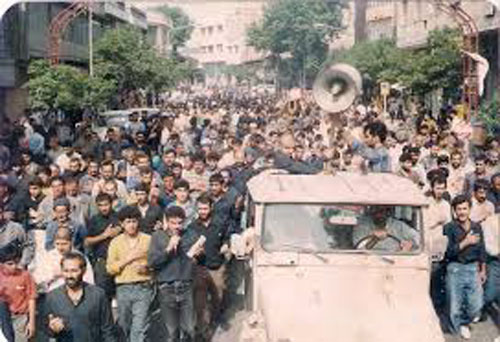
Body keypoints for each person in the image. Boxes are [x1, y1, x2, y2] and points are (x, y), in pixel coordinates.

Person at [147, 206, 203, 342]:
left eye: (180, 223)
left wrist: (199, 254)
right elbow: (153, 262)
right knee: (171, 331)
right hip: (166, 287)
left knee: (189, 328)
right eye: (173, 223)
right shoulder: (158, 236)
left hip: (186, 286)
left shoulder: (190, 234)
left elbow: (200, 259)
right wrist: (168, 249)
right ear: (166, 221)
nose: (177, 226)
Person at [43, 252, 117, 342]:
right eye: (66, 271)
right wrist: (52, 329)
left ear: (84, 270)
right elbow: (46, 330)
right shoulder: (53, 297)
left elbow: (108, 330)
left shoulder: (98, 295)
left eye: (74, 271)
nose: (69, 275)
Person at [444, 195, 487, 339]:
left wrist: (483, 269)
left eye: (465, 208)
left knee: (476, 305)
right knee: (454, 305)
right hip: (455, 268)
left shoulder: (476, 226)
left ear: (469, 209)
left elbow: (482, 249)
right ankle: (455, 332)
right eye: (459, 209)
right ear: (454, 211)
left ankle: (464, 323)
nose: (462, 212)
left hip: (473, 268)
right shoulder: (449, 227)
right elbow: (447, 252)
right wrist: (465, 242)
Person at [106, 206, 152, 342]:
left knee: (140, 326)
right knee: (124, 325)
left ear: (138, 222)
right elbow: (109, 268)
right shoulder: (115, 242)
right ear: (122, 224)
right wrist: (128, 259)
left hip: (143, 287)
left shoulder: (148, 239)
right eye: (127, 222)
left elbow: (156, 263)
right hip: (123, 288)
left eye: (134, 221)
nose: (131, 225)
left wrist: (147, 268)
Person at [188, 195, 231, 339]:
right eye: (200, 208)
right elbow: (187, 247)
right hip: (200, 268)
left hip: (217, 267)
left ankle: (214, 320)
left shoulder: (220, 223)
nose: (203, 211)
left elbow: (227, 237)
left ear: (211, 208)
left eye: (205, 208)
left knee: (217, 297)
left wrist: (226, 245)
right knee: (200, 301)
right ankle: (202, 330)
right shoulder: (192, 227)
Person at [422, 175, 451, 316]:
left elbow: (448, 223)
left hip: (441, 240)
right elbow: (424, 223)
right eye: (437, 188)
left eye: (442, 188)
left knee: (439, 273)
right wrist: (437, 221)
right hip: (428, 239)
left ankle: (437, 304)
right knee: (428, 273)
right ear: (432, 188)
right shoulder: (426, 202)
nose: (440, 191)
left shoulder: (446, 204)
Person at [84, 193, 120, 301]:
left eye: (106, 205)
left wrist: (120, 229)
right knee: (102, 294)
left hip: (119, 260)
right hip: (102, 260)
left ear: (111, 204)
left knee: (119, 294)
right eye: (100, 205)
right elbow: (87, 241)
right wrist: (104, 235)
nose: (104, 208)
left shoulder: (119, 218)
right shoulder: (94, 220)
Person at [0, 244, 37, 342]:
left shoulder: (25, 276)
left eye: (17, 263)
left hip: (20, 317)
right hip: (3, 317)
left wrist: (31, 322)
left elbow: (31, 298)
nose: (14, 266)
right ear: (1, 263)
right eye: (10, 264)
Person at [353, 206, 420, 252]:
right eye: (376, 211)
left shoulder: (398, 225)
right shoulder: (362, 226)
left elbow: (418, 238)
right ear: (371, 212)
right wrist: (374, 239)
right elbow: (358, 249)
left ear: (388, 212)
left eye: (382, 211)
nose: (379, 215)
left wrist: (410, 244)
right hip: (368, 261)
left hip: (396, 259)